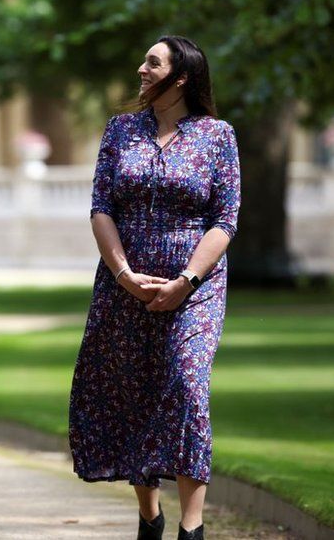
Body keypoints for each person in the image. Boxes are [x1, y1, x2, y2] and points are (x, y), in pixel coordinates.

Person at [68, 35, 241, 540]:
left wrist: (187, 280)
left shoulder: (217, 136)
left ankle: (192, 528)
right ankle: (149, 516)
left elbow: (225, 219)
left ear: (180, 76)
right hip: (124, 284)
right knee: (133, 391)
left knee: (188, 386)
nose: (141, 69)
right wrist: (124, 276)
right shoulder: (121, 130)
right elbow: (102, 207)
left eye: (152, 62)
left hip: (196, 285)